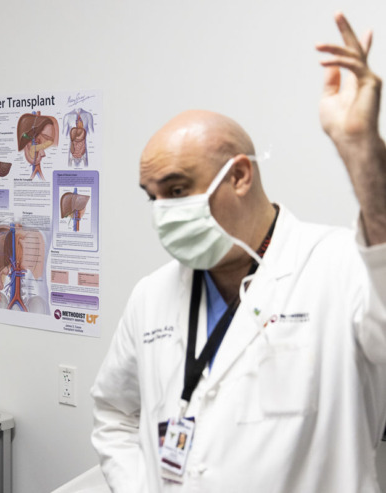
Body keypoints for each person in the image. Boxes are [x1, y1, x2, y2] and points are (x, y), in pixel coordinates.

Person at [91, 11, 386, 493]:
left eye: (178, 189)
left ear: (240, 176)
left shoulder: (339, 266)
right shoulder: (151, 296)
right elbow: (113, 411)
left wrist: (362, 152)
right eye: (153, 196)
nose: (162, 211)